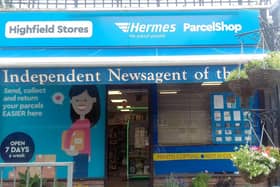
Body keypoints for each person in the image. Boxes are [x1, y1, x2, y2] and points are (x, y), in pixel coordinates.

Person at [62, 85, 100, 178]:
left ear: (93, 100)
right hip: (78, 152)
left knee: (82, 171)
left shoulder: (87, 123)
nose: (81, 103)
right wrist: (67, 148)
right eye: (77, 100)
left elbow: (87, 140)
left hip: (84, 153)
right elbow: (68, 135)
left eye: (86, 100)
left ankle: (81, 180)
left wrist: (89, 153)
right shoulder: (77, 123)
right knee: (79, 172)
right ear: (71, 101)